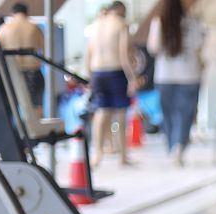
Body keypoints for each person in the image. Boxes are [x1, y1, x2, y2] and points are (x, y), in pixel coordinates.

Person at [147, 0, 205, 166]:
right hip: (189, 75)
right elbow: (198, 47)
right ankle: (179, 145)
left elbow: (153, 48)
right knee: (185, 114)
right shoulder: (192, 22)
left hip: (165, 75)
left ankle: (172, 146)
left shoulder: (159, 22)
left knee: (168, 114)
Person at [86, 1, 138, 167]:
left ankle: (97, 154)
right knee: (121, 113)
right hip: (116, 71)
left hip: (97, 71)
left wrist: (89, 77)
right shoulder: (121, 24)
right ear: (121, 10)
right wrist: (132, 78)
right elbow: (124, 55)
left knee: (101, 112)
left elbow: (88, 52)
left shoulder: (95, 24)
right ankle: (123, 156)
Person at [0, 3, 45, 118]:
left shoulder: (3, 29)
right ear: (27, 13)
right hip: (33, 72)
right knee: (35, 109)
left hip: (12, 73)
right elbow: (44, 50)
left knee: (10, 108)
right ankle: (35, 134)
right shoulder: (34, 28)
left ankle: (12, 135)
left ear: (12, 14)